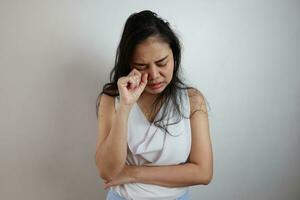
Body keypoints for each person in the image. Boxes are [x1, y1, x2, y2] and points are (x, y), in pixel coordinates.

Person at [95, 10, 213, 200]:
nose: (154, 75)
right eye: (142, 66)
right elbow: (107, 171)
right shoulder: (111, 100)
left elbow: (203, 172)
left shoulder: (193, 100)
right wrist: (125, 107)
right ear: (129, 64)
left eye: (161, 63)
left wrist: (133, 173)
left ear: (174, 56)